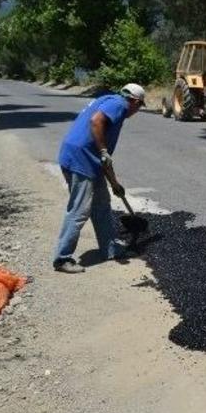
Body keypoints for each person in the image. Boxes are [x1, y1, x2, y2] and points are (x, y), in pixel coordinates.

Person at [52, 83, 146, 273]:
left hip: (82, 156)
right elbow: (96, 121)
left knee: (102, 204)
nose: (136, 112)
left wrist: (114, 184)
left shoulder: (107, 99)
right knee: (80, 209)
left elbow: (104, 159)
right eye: (139, 106)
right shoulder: (120, 105)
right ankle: (62, 259)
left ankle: (110, 249)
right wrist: (103, 150)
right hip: (81, 159)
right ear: (135, 101)